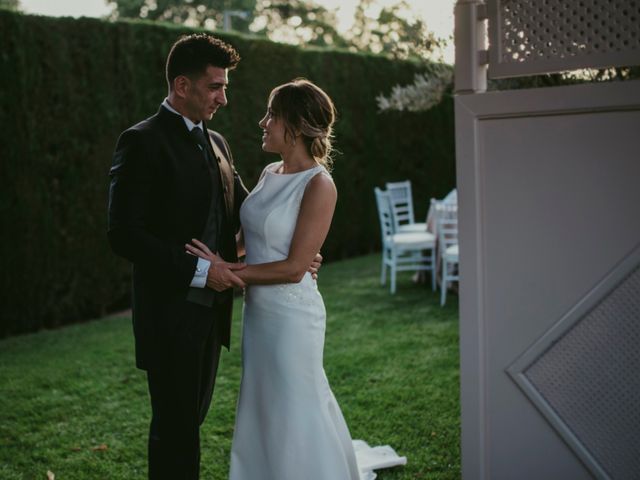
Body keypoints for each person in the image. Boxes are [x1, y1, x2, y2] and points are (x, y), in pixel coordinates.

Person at [107, 34, 321, 479]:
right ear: (181, 86)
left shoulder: (218, 142)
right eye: (214, 87)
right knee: (175, 430)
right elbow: (124, 234)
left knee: (189, 423)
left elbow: (243, 217)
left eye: (225, 87)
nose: (224, 98)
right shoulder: (141, 141)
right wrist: (203, 271)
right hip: (168, 315)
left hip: (211, 319)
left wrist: (292, 255)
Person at [186, 79, 406, 480]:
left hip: (291, 316)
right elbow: (249, 238)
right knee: (264, 402)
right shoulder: (271, 172)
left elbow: (293, 267)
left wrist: (228, 274)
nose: (262, 122)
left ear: (298, 125)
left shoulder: (320, 185)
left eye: (272, 115)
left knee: (294, 402)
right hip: (260, 314)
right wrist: (223, 258)